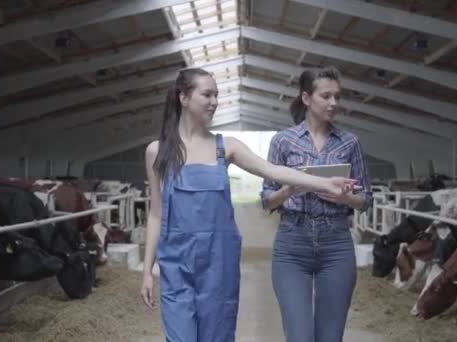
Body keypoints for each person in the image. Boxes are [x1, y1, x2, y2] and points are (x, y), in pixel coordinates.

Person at [140, 68, 360, 342]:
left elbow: (272, 171)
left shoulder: (227, 147)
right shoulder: (157, 152)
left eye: (217, 95)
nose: (215, 101)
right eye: (207, 94)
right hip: (176, 265)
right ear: (183, 98)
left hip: (218, 263)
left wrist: (324, 184)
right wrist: (147, 270)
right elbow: (156, 214)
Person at [261, 66, 372, 342]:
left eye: (337, 96)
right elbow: (266, 200)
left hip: (336, 242)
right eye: (326, 96)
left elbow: (366, 199)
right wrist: (288, 190)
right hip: (292, 243)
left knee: (330, 337)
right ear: (307, 98)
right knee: (299, 337)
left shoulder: (349, 142)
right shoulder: (283, 141)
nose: (334, 103)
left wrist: (345, 198)